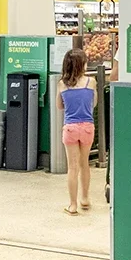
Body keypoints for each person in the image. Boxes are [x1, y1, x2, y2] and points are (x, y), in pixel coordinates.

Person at [57, 48, 96, 215]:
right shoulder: (91, 82)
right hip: (87, 126)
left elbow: (59, 106)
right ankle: (85, 199)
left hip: (70, 128)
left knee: (72, 167)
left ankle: (72, 205)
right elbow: (93, 104)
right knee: (84, 163)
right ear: (82, 65)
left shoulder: (61, 84)